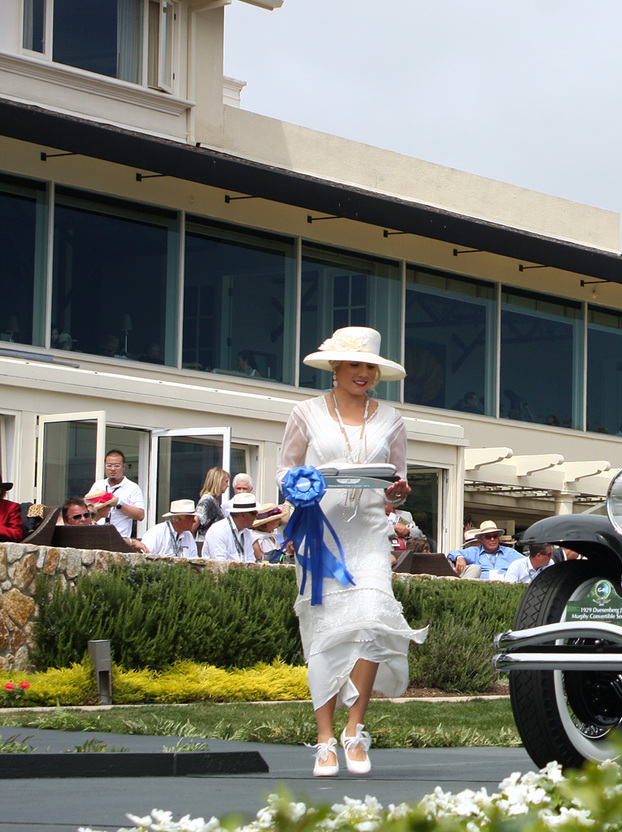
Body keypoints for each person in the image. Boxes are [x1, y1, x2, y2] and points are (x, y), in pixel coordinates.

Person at [279, 326, 426, 777]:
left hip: (368, 534)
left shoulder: (392, 419)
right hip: (319, 534)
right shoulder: (304, 413)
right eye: (355, 364)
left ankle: (354, 729)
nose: (363, 373)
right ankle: (323, 739)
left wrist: (399, 492)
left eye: (370, 366)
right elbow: (287, 472)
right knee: (323, 634)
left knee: (371, 621)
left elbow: (396, 486)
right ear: (336, 367)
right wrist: (295, 502)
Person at [86, 450, 145, 541]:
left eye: (117, 465)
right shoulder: (98, 485)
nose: (113, 469)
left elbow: (140, 515)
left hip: (120, 538)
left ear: (124, 466)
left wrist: (119, 503)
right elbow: (87, 509)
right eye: (109, 465)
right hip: (96, 536)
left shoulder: (132, 487)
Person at [448, 521, 520, 579]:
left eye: (495, 536)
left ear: (498, 538)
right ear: (481, 540)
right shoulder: (475, 552)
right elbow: (452, 553)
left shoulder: (510, 552)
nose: (492, 539)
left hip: (506, 588)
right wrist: (459, 557)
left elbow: (527, 562)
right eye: (488, 537)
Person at [203, 492, 259, 561]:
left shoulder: (246, 533)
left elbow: (251, 561)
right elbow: (219, 563)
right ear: (243, 515)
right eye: (254, 513)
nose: (256, 517)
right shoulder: (218, 530)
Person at [196, 468, 230, 535]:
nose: (227, 485)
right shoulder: (207, 500)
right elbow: (195, 522)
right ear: (218, 481)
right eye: (226, 481)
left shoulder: (214, 500)